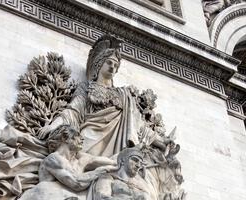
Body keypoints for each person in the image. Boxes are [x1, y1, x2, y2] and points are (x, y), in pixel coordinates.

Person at [38, 35, 173, 157]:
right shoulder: (86, 87)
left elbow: (138, 124)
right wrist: (52, 126)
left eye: (115, 65)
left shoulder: (124, 94)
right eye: (109, 62)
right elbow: (72, 112)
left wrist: (161, 141)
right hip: (89, 136)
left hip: (118, 142)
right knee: (79, 162)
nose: (112, 67)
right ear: (99, 64)